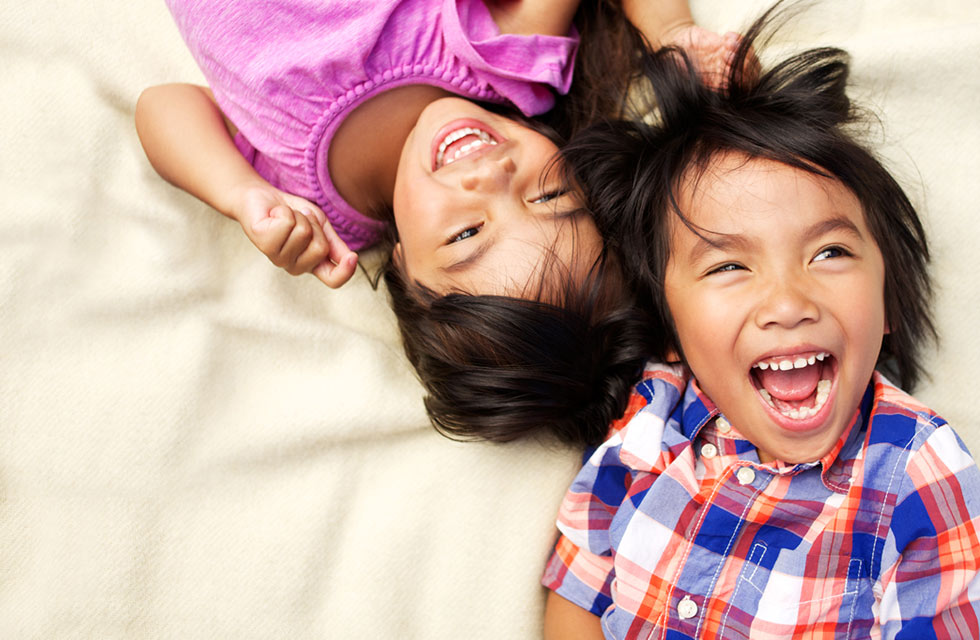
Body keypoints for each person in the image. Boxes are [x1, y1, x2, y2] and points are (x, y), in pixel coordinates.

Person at [541, 6, 980, 637]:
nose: (787, 301)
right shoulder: (650, 421)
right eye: (727, 267)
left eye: (829, 253)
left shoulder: (917, 470)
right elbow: (578, 592)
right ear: (669, 328)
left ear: (887, 305)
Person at [135, 0, 740, 445]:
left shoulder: (311, 206)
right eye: (552, 193)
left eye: (466, 234)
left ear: (402, 270)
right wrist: (671, 36)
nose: (492, 178)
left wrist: (240, 195)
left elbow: (163, 106)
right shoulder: (505, 59)